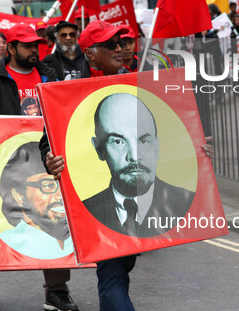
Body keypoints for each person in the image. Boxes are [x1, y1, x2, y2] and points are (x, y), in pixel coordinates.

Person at [41, 20, 213, 311]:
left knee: (118, 273)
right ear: (90, 54)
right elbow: (47, 140)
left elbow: (167, 127)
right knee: (112, 274)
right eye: (111, 45)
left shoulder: (138, 82)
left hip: (137, 200)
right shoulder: (66, 93)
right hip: (92, 203)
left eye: (120, 43)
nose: (120, 49)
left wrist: (198, 146)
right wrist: (50, 159)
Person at [0, 24, 78, 311]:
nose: (34, 50)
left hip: (46, 163)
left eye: (36, 45)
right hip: (9, 166)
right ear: (10, 49)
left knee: (55, 226)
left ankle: (57, 291)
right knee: (1, 222)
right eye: (26, 46)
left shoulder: (50, 77)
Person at [83, 93, 195, 237]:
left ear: (157, 147)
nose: (134, 157)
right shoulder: (85, 211)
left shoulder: (188, 204)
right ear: (99, 149)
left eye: (144, 141)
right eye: (118, 142)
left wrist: (203, 158)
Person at [0, 142, 72, 259]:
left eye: (60, 184)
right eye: (48, 186)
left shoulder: (72, 241)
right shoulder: (4, 243)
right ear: (19, 195)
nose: (59, 195)